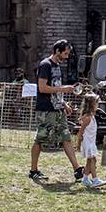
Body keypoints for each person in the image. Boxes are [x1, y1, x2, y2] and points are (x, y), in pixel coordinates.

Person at [29, 39, 84, 182]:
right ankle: (33, 170)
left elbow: (55, 88)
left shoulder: (58, 66)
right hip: (46, 110)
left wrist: (64, 103)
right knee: (40, 139)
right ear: (57, 51)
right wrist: (63, 89)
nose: (66, 56)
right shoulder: (45, 65)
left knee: (66, 138)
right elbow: (42, 88)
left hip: (58, 109)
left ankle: (77, 169)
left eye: (68, 54)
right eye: (65, 53)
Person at [77, 94, 106, 189]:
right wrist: (78, 143)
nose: (98, 105)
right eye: (96, 103)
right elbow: (81, 132)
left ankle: (85, 178)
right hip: (88, 143)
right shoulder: (87, 118)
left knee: (90, 161)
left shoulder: (92, 117)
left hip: (91, 142)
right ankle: (95, 179)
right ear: (91, 105)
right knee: (93, 159)